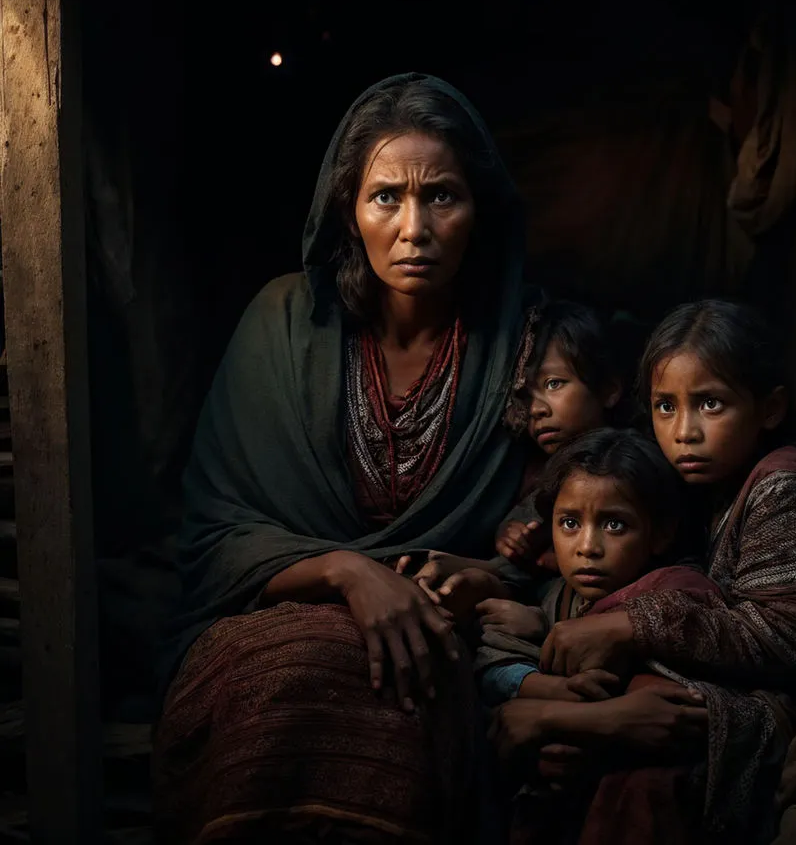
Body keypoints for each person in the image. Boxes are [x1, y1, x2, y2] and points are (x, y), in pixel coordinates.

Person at [151, 74, 531, 844]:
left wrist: (479, 577)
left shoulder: (527, 346)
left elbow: (566, 525)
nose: (414, 227)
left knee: (392, 685)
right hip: (267, 623)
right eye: (386, 196)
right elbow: (215, 534)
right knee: (298, 673)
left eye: (443, 197)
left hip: (438, 630)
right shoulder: (283, 324)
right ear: (348, 210)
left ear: (479, 210)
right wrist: (348, 573)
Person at [490, 300, 796, 844]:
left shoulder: (786, 485)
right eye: (665, 407)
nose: (684, 431)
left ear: (770, 408)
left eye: (709, 404)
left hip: (765, 715)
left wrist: (630, 625)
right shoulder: (700, 486)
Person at [476, 427, 719, 708]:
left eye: (614, 525)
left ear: (661, 534)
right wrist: (550, 682)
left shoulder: (677, 592)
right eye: (570, 523)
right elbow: (490, 663)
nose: (588, 547)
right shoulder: (559, 594)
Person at [496, 300, 626, 574]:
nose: (535, 410)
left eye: (554, 384)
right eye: (525, 396)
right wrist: (510, 535)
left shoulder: (632, 464)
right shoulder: (535, 472)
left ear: (608, 390)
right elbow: (524, 526)